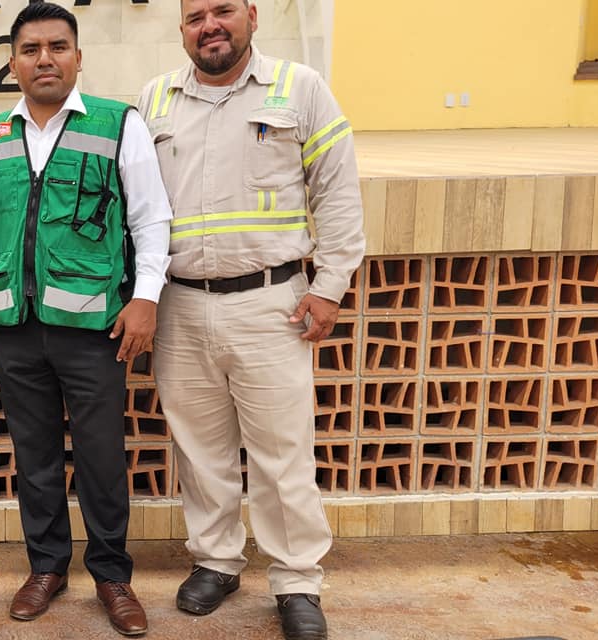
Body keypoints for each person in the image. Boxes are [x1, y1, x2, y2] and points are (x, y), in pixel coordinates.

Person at [0, 3, 171, 636]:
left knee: (100, 454)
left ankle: (112, 576)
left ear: (77, 56)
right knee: (34, 455)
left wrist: (146, 297)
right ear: (12, 61)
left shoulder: (117, 124)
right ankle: (45, 567)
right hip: (14, 325)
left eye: (57, 47)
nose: (45, 59)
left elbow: (150, 218)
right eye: (31, 49)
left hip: (95, 326)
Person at [139, 2, 365, 639]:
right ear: (182, 29)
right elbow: (138, 203)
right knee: (199, 447)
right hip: (180, 303)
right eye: (195, 17)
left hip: (272, 303)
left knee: (281, 451)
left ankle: (296, 580)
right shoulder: (154, 99)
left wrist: (330, 288)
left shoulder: (300, 89)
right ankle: (216, 560)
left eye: (223, 11)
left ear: (252, 17)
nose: (210, 26)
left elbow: (338, 192)